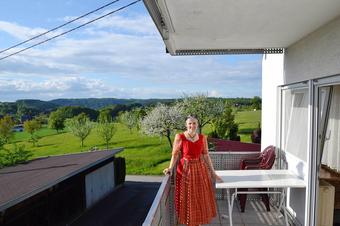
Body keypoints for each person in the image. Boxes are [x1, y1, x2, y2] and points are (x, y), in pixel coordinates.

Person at [163, 115, 223, 226]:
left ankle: (198, 222)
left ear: (197, 124)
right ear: (186, 125)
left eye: (194, 123)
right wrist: (170, 168)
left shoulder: (202, 138)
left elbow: (206, 156)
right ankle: (189, 222)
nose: (192, 125)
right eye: (190, 123)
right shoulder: (180, 137)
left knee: (200, 197)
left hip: (200, 170)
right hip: (185, 170)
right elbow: (175, 155)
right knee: (187, 197)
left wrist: (213, 173)